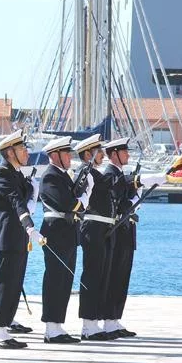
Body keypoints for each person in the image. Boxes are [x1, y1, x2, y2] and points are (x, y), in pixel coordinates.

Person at [100, 138, 165, 338]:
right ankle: (108, 319)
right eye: (124, 151)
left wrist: (136, 192)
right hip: (116, 232)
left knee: (122, 277)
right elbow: (118, 196)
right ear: (113, 154)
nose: (128, 155)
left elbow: (128, 192)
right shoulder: (110, 174)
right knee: (114, 276)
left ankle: (114, 319)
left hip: (127, 231)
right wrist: (136, 189)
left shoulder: (121, 175)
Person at [0, 131, 42, 350]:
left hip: (18, 236)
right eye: (22, 149)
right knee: (4, 282)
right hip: (7, 235)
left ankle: (5, 327)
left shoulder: (17, 174)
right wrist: (29, 226)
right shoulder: (2, 174)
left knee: (15, 282)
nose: (26, 153)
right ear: (10, 152)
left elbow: (25, 199)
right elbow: (16, 202)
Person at [38, 137, 84, 344]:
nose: (69, 157)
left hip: (68, 232)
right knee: (55, 279)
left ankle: (58, 324)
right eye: (66, 154)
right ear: (54, 155)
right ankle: (51, 326)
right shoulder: (50, 177)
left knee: (65, 279)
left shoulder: (63, 176)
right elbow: (67, 203)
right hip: (56, 232)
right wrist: (82, 199)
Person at [73, 134, 113, 341]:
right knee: (92, 274)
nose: (103, 154)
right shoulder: (85, 172)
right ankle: (88, 325)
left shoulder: (94, 172)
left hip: (102, 227)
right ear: (89, 153)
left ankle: (94, 322)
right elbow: (79, 197)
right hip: (92, 227)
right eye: (99, 151)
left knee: (100, 274)